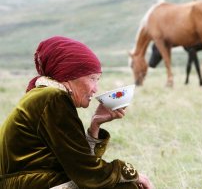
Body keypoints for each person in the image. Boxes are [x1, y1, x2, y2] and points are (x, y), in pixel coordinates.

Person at [0, 36, 153, 189]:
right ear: (69, 75)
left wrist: (95, 124)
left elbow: (77, 161)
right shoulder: (53, 98)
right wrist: (131, 174)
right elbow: (87, 173)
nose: (95, 88)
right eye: (93, 78)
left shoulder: (43, 96)